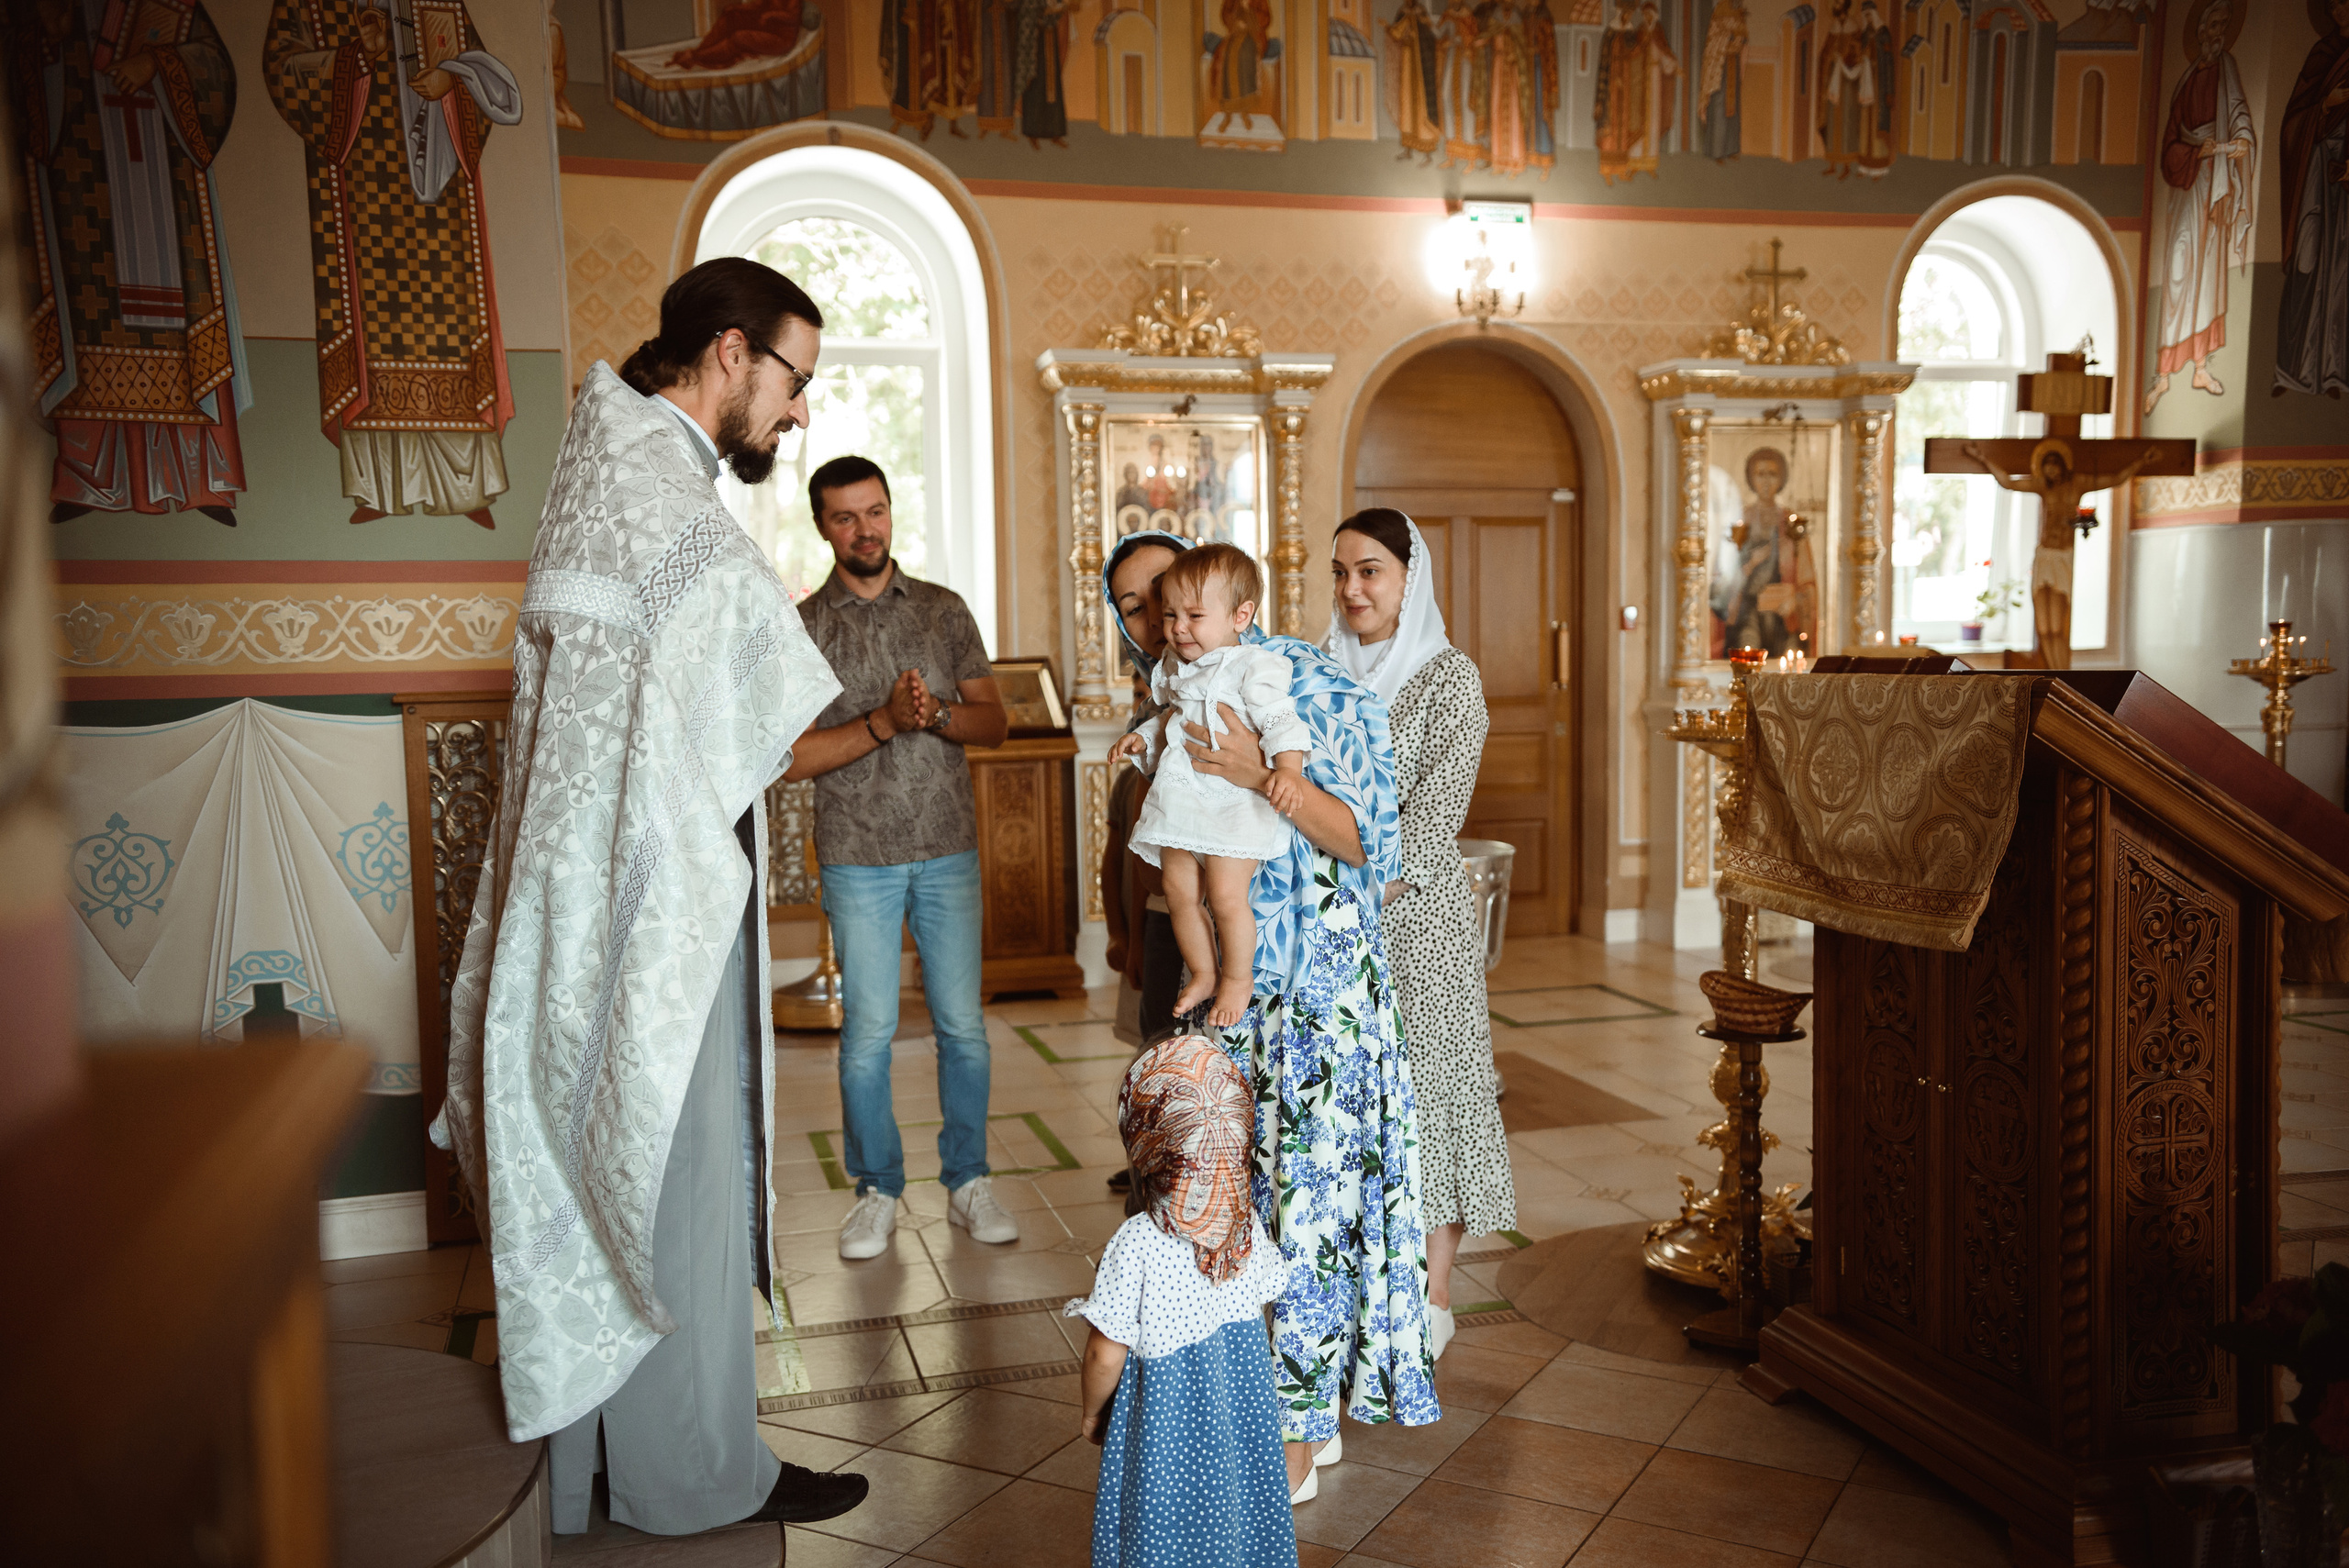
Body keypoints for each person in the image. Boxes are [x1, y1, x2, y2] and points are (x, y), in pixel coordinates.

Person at [436, 257, 867, 1534]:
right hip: (656, 892)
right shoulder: (655, 488)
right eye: (793, 380)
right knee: (674, 1169)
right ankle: (690, 1473)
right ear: (730, 351)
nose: (797, 412)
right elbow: (759, 699)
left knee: (615, 1151)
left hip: (603, 878)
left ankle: (612, 1463)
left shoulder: (611, 459)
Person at [1098, 531, 1439, 1504]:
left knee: (1312, 1215)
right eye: (1136, 609)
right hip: (1239, 1001)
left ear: (1227, 603)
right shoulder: (1178, 691)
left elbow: (1372, 842)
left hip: (1321, 1002)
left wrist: (1259, 775)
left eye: (1167, 600)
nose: (1156, 624)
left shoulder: (1309, 684)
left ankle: (1298, 1436)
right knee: (1233, 1214)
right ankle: (1260, 1412)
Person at [785, 454, 1018, 1261]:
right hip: (858, 855)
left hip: (947, 847)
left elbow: (996, 724)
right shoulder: (804, 625)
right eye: (845, 517)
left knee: (963, 1029)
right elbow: (792, 756)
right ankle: (877, 1189)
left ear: (891, 511)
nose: (865, 529)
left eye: (875, 511)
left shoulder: (944, 611)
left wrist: (936, 713)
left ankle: (969, 1180)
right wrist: (884, 721)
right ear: (823, 526)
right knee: (868, 1035)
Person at [1324, 510, 1515, 1361]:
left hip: (1419, 921)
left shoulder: (1449, 680)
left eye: (1370, 570)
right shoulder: (1318, 667)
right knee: (1354, 1102)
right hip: (1331, 921)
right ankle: (1361, 1285)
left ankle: (1433, 1296)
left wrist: (1353, 888)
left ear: (1411, 578)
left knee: (1431, 1099)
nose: (1352, 588)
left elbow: (1431, 824)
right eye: (1341, 572)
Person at [1068, 1033, 1297, 1556]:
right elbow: (1266, 1296)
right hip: (1239, 1412)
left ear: (1145, 1146)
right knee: (1238, 1515)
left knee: (1165, 1528)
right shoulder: (1245, 1226)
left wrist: (1091, 1411)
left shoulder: (1137, 1242)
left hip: (1165, 1427)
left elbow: (1105, 1353)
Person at [1111, 544, 1312, 1026]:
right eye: (1170, 615)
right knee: (1178, 890)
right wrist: (1142, 739)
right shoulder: (1175, 668)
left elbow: (1281, 721)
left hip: (1231, 806)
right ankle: (1203, 971)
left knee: (1224, 896)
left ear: (1241, 615)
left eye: (1194, 616)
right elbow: (1171, 719)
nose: (1177, 628)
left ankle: (1237, 978)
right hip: (1182, 801)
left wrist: (1287, 771)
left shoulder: (1253, 665)